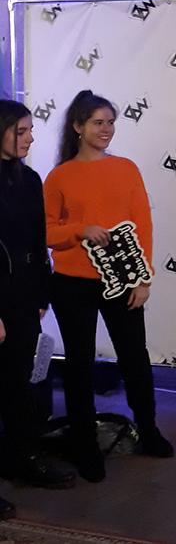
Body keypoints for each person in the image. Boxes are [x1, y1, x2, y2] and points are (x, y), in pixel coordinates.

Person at [44, 90, 173, 484]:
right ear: (78, 127)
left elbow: (142, 224)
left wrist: (143, 278)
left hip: (123, 281)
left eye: (110, 122)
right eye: (98, 122)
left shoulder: (126, 169)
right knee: (79, 364)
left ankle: (148, 429)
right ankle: (85, 444)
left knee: (135, 357)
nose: (106, 129)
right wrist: (79, 229)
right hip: (72, 283)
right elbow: (46, 230)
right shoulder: (59, 176)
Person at [0, 100, 77, 509]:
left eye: (31, 130)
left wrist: (41, 295)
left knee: (18, 382)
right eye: (21, 131)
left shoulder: (29, 179)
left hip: (24, 294)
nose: (30, 138)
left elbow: (37, 240)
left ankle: (21, 458)